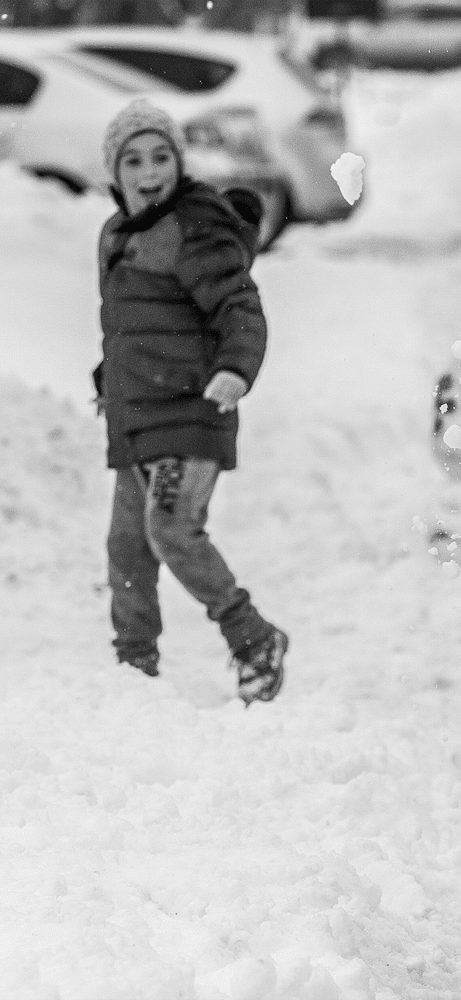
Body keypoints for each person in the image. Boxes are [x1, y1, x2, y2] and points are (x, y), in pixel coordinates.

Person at [94, 98, 287, 705]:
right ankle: (134, 667)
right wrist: (110, 378)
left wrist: (236, 367)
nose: (149, 173)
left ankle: (253, 639)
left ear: (179, 162)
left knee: (171, 529)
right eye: (133, 161)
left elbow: (238, 304)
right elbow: (133, 322)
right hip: (137, 414)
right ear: (114, 170)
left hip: (194, 407)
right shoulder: (116, 233)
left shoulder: (195, 225)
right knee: (127, 547)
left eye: (161, 157)